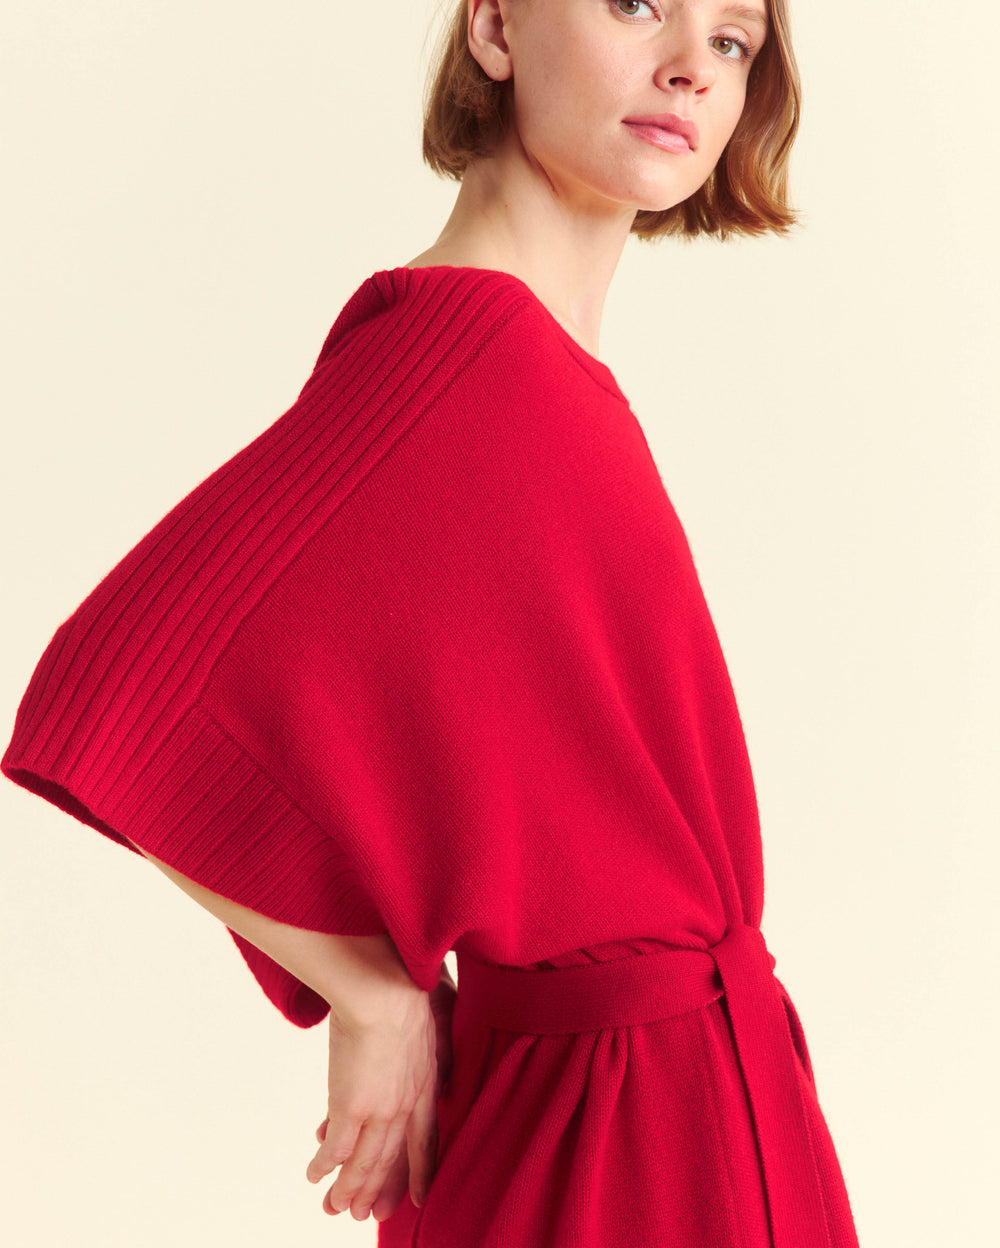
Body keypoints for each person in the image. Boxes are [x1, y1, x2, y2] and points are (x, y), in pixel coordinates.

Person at [2, 1, 861, 1245]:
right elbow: (104, 688)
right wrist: (371, 995)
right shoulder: (468, 348)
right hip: (616, 1130)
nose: (689, 64)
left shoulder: (532, 365)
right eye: (635, 2)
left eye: (733, 39)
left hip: (674, 1095)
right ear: (497, 27)